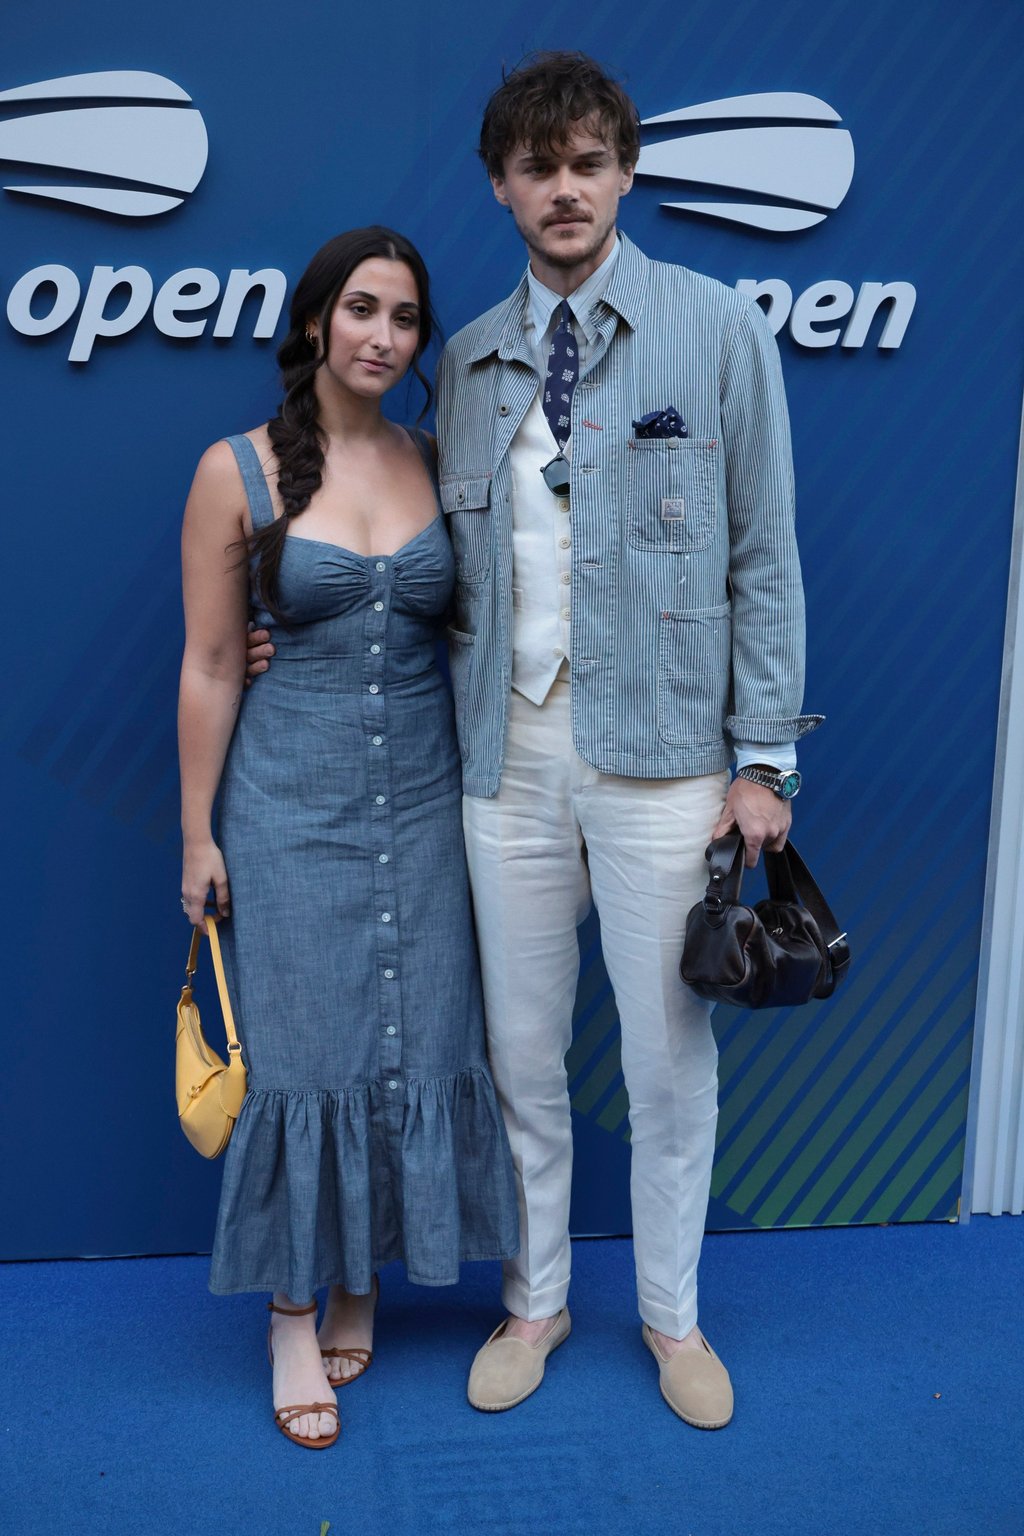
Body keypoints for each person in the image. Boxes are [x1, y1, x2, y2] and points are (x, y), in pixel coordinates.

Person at [248, 53, 821, 1430]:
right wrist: (299, 636)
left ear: (625, 172)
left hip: (668, 760)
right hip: (498, 762)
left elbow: (767, 561)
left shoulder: (715, 329)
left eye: (585, 163)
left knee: (668, 1055)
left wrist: (764, 763)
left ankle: (674, 1319)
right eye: (535, 167)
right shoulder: (474, 359)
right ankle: (538, 1298)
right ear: (501, 186)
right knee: (517, 1054)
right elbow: (427, 566)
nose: (562, 189)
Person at [178, 226, 518, 1452]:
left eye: (407, 318)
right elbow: (214, 663)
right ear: (318, 319)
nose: (384, 336)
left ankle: (366, 1278)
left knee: (410, 1041)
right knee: (308, 1052)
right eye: (363, 309)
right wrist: (196, 835)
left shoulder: (436, 456)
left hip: (427, 810)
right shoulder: (239, 469)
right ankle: (288, 1315)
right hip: (287, 811)